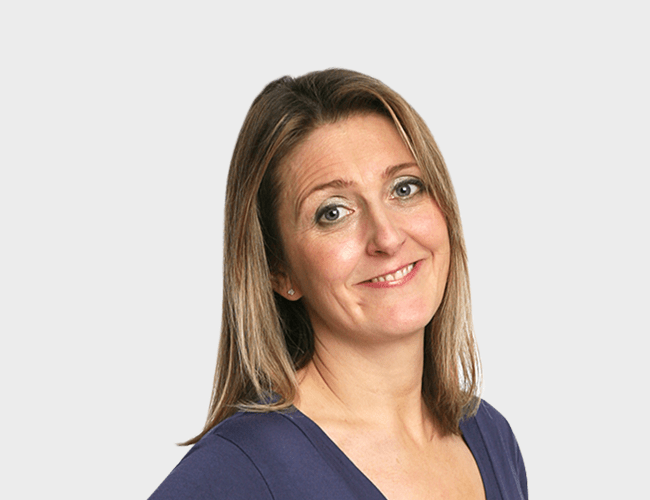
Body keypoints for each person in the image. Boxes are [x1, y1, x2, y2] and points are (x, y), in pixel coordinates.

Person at [149, 69, 527, 500]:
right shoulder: (239, 472)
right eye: (333, 212)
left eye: (405, 188)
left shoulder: (490, 437)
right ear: (279, 270)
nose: (387, 236)